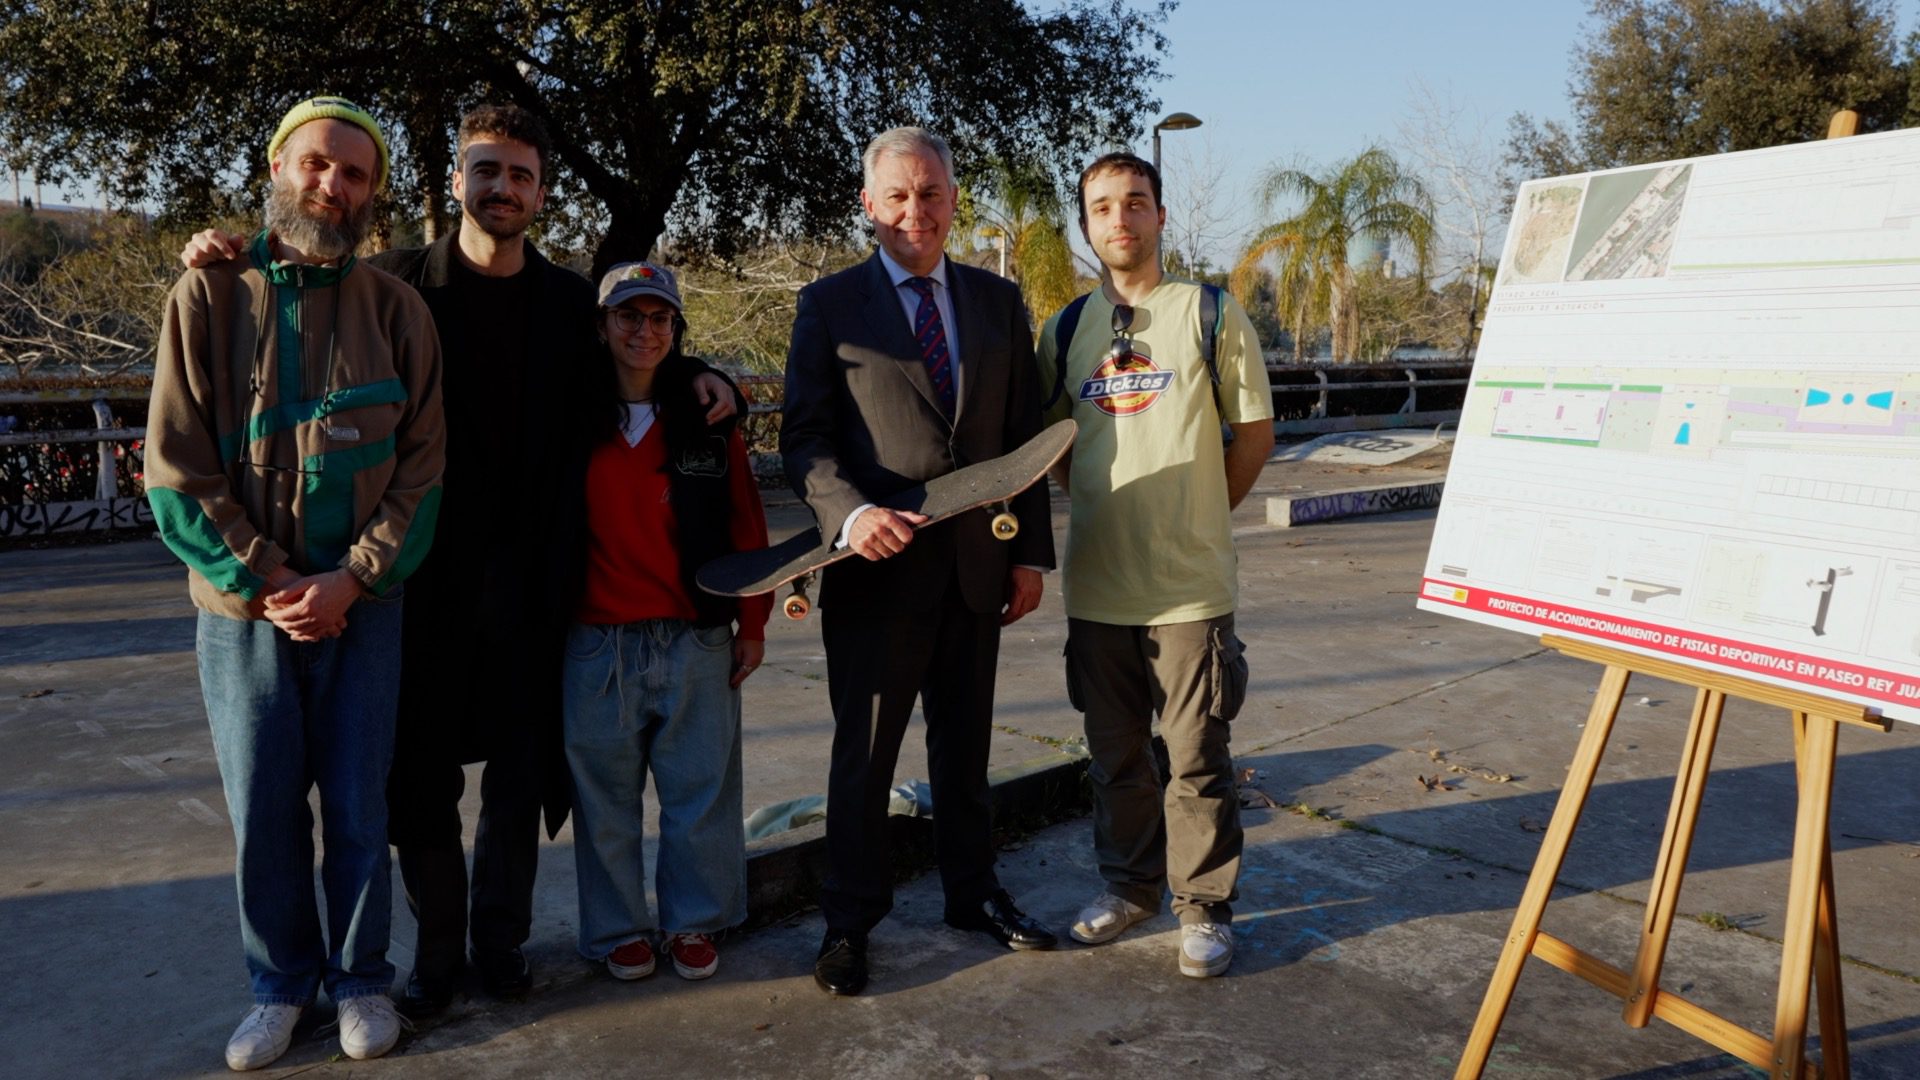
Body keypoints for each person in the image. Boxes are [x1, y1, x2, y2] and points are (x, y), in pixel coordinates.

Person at [178, 104, 742, 1015]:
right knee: (418, 786)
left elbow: (643, 350)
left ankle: (500, 941)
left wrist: (700, 373)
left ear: (542, 193)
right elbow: (295, 290)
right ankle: (438, 956)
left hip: (537, 587)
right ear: (456, 183)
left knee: (521, 782)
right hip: (416, 581)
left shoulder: (569, 303)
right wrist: (225, 252)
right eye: (487, 171)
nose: (503, 189)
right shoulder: (395, 287)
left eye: (521, 175)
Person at [146, 96, 445, 1069]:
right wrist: (275, 579)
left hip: (365, 612)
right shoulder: (208, 298)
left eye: (355, 174)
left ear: (372, 197)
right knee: (265, 807)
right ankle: (277, 989)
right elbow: (176, 472)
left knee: (361, 803)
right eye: (318, 164)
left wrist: (351, 581)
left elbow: (423, 471)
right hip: (247, 617)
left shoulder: (398, 310)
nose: (334, 185)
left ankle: (361, 981)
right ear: (278, 168)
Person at [780, 126, 1057, 997]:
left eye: (931, 193)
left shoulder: (995, 302)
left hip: (978, 571)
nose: (916, 212)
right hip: (875, 574)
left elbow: (1025, 441)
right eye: (897, 196)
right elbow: (806, 440)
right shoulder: (829, 306)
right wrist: (852, 514)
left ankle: (973, 896)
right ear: (868, 204)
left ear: (952, 198)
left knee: (965, 749)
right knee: (863, 760)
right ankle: (849, 923)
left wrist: (1031, 558)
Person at [1035, 151, 1274, 978]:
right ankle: (1129, 889)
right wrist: (1103, 502)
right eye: (1102, 208)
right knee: (1116, 760)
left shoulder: (1209, 313)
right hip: (1097, 588)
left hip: (1187, 591)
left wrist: (1202, 513)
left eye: (1135, 203)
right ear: (1088, 225)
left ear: (1160, 215)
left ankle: (1204, 907)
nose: (1120, 221)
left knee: (1198, 760)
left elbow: (1255, 436)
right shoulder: (1063, 331)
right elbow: (1053, 450)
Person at [557, 261, 771, 984]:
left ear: (677, 330)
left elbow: (746, 524)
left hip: (694, 634)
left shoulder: (708, 420)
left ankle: (694, 920)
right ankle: (618, 928)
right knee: (605, 799)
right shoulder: (571, 418)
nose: (643, 331)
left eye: (659, 319)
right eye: (628, 316)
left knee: (700, 792)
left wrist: (755, 622)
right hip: (597, 641)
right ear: (602, 324)